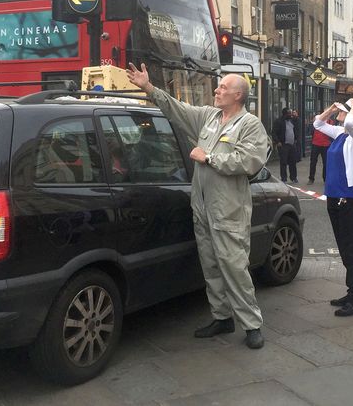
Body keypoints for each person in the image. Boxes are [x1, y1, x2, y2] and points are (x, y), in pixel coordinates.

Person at [126, 63, 268, 349]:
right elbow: (177, 110)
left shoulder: (249, 124)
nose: (217, 90)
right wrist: (149, 88)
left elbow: (251, 161)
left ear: (238, 95)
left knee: (234, 266)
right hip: (202, 208)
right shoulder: (209, 117)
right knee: (211, 265)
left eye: (224, 87)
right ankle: (222, 317)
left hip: (228, 211)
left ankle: (252, 324)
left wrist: (210, 158)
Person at [313, 97, 353, 317]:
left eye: (345, 110)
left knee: (349, 249)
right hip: (334, 197)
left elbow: (350, 124)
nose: (341, 113)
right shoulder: (340, 135)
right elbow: (318, 124)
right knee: (343, 248)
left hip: (350, 198)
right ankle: (351, 292)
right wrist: (331, 109)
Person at [273, 108, 299, 183]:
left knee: (293, 162)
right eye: (289, 113)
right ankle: (284, 178)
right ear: (284, 114)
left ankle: (293, 177)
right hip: (283, 144)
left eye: (291, 113)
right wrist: (277, 141)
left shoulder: (292, 121)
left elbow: (296, 130)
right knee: (283, 162)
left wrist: (296, 139)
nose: (290, 115)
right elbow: (274, 132)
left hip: (292, 144)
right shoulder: (279, 122)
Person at [308, 115, 333, 184]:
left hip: (325, 144)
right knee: (313, 162)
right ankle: (311, 178)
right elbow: (312, 130)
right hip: (316, 143)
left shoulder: (331, 122)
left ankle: (325, 179)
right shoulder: (318, 120)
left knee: (326, 163)